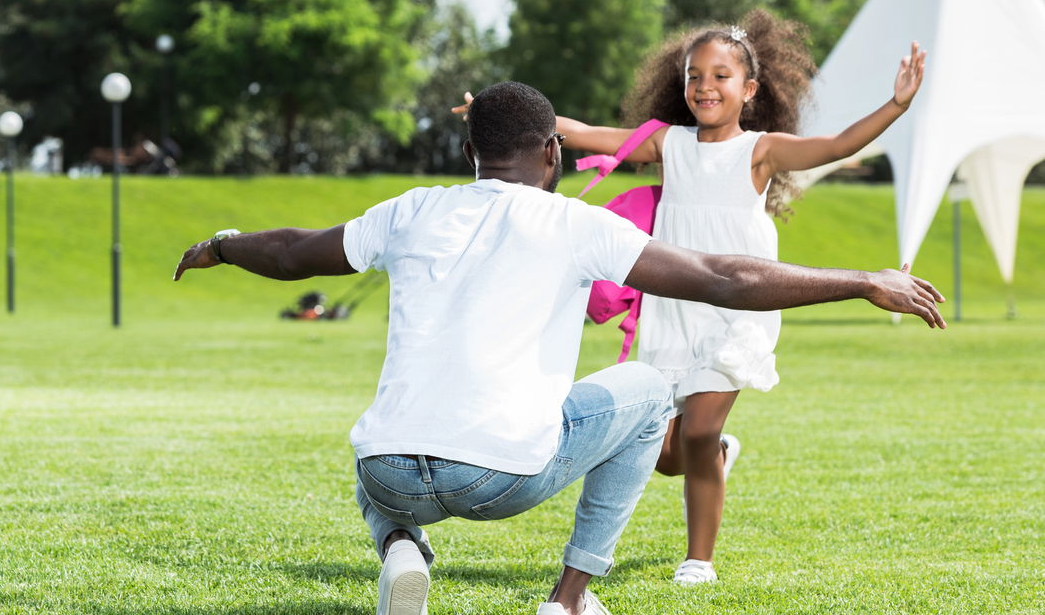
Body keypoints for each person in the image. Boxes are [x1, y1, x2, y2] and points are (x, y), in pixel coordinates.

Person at [174, 81, 943, 615]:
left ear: (470, 149)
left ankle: (401, 549)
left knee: (383, 438)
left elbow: (296, 251)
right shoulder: (578, 224)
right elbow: (722, 277)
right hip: (498, 479)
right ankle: (569, 595)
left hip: (392, 476)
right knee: (646, 389)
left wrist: (223, 242)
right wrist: (859, 280)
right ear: (550, 153)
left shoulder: (410, 210)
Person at [452, 11, 926, 585]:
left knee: (696, 431)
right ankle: (719, 452)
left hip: (738, 307)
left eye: (721, 76)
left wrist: (896, 105)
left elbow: (835, 145)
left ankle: (698, 559)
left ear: (749, 90)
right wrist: (493, 117)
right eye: (693, 75)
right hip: (672, 308)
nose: (705, 86)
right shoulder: (669, 144)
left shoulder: (761, 151)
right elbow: (581, 133)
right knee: (668, 454)